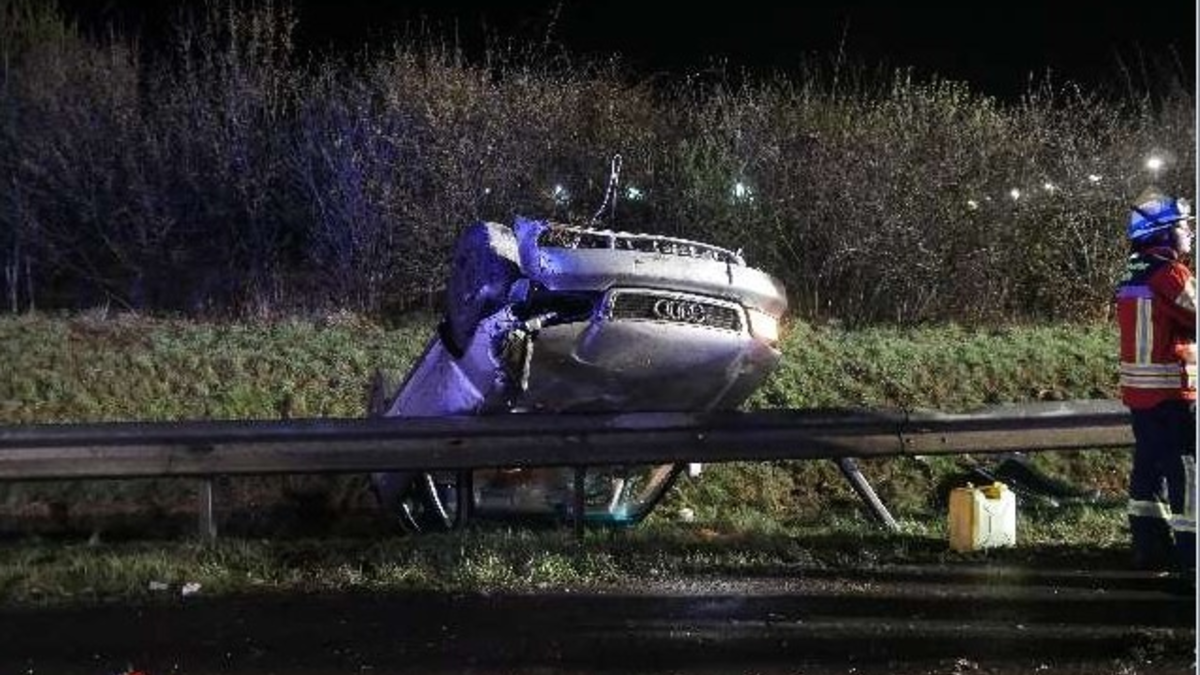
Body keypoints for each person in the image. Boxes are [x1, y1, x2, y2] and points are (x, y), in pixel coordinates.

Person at [1115, 189, 1196, 578]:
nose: (1191, 233)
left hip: (1141, 396)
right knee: (1188, 474)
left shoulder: (1133, 271)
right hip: (1172, 397)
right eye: (1184, 227)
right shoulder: (1171, 274)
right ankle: (1192, 559)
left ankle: (1149, 549)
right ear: (1164, 234)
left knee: (1147, 473)